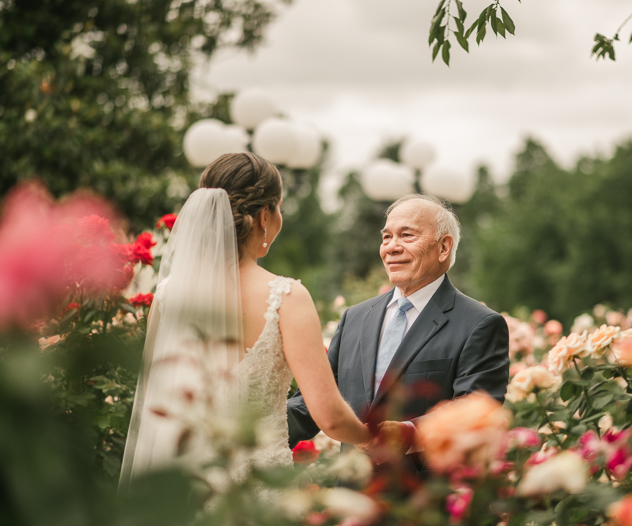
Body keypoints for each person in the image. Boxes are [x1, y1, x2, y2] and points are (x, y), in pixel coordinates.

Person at [119, 153, 372, 489]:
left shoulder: (167, 295)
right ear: (264, 216)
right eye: (279, 207)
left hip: (183, 487)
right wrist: (375, 438)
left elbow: (155, 398)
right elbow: (329, 417)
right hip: (256, 492)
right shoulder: (287, 298)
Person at [287, 194, 510, 472]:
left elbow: (476, 409)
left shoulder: (480, 324)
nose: (391, 247)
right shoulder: (354, 318)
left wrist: (408, 434)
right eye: (386, 237)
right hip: (352, 495)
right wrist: (253, 435)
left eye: (406, 235)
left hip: (428, 501)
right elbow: (315, 399)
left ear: (443, 247)